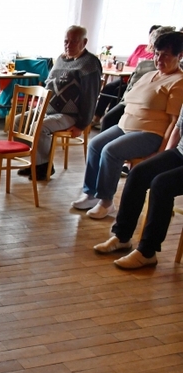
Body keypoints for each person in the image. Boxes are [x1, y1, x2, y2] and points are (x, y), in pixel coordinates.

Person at [72, 32, 183, 219]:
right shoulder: (149, 75)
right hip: (125, 126)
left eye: (165, 55)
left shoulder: (179, 82)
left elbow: (175, 122)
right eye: (157, 54)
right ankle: (90, 194)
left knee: (111, 151)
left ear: (179, 56)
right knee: (95, 145)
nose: (159, 59)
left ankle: (106, 202)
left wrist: (162, 153)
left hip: (150, 133)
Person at [93, 111, 183, 269]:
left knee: (161, 185)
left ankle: (147, 252)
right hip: (180, 152)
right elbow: (178, 126)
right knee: (138, 173)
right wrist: (164, 157)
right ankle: (122, 236)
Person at [17, 25, 102, 181]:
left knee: (39, 126)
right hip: (47, 109)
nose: (68, 45)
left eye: (73, 41)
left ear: (84, 42)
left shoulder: (89, 63)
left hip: (70, 115)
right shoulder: (61, 59)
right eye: (66, 41)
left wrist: (82, 125)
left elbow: (90, 96)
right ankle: (34, 161)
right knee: (18, 121)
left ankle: (44, 167)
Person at [100, 26, 177, 133]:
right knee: (110, 96)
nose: (159, 57)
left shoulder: (172, 72)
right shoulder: (144, 65)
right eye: (157, 52)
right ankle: (97, 117)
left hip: (146, 108)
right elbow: (132, 85)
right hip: (131, 99)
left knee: (112, 111)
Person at [92, 25, 161, 126]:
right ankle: (96, 117)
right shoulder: (141, 47)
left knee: (117, 91)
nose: (153, 38)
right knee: (108, 87)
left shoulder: (157, 53)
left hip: (137, 80)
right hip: (126, 76)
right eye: (152, 34)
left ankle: (109, 119)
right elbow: (128, 62)